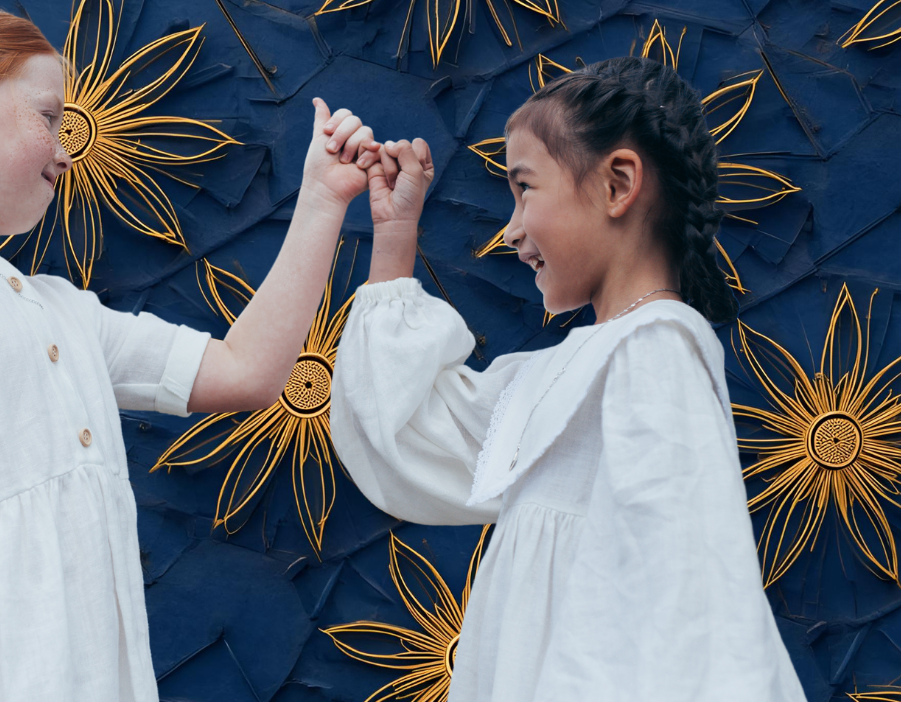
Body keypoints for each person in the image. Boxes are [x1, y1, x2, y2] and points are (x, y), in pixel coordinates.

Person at [0, 0, 384, 702]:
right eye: (47, 116)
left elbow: (246, 372)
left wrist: (324, 201)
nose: (65, 145)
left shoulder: (61, 311)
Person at [329, 57, 806, 701]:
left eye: (525, 188)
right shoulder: (564, 372)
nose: (512, 229)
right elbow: (404, 430)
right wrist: (394, 233)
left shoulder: (656, 351)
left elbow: (679, 595)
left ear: (617, 185)